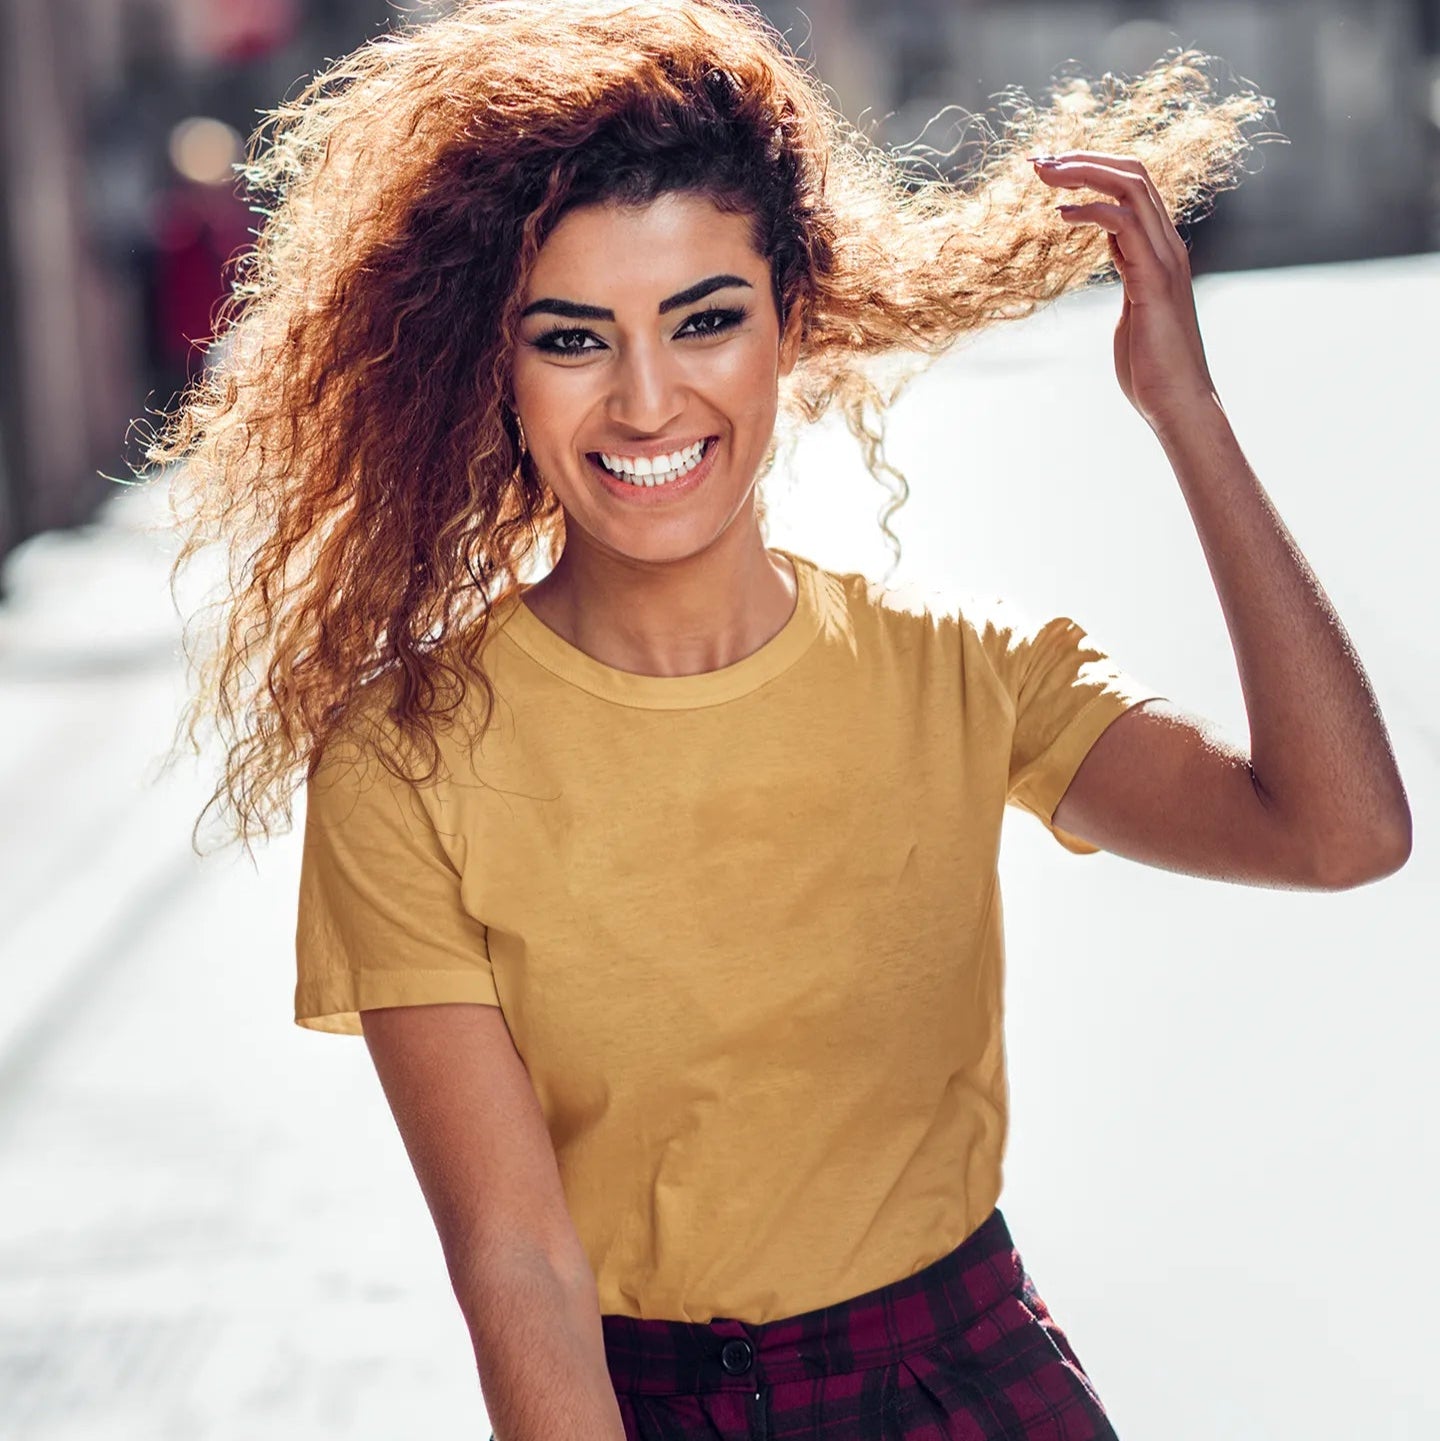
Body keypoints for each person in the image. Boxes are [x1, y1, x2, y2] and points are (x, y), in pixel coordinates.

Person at [147, 1, 1412, 1436]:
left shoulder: (957, 676)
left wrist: (1186, 411)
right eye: (572, 338)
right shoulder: (406, 758)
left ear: (790, 322)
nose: (645, 399)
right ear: (494, 370)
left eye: (705, 320)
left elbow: (1341, 830)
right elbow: (519, 1266)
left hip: (975, 1388)